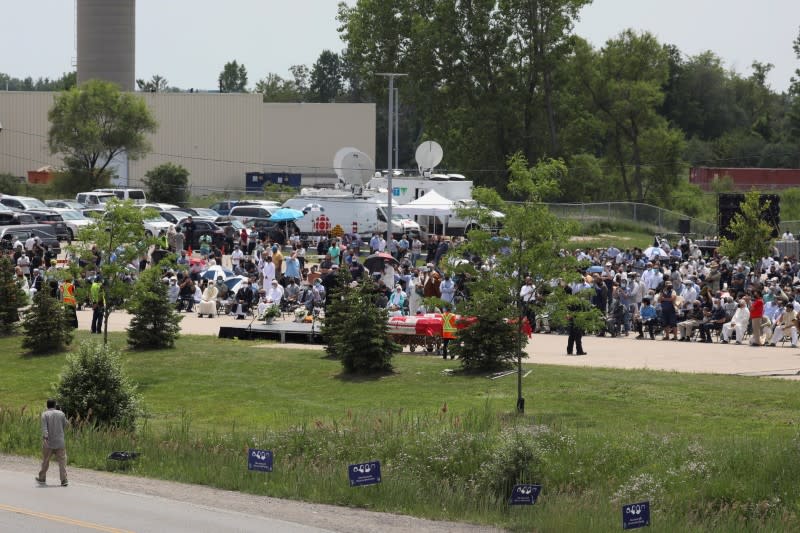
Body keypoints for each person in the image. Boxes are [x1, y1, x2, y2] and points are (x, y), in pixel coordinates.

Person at [36, 399, 69, 487]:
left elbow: (44, 427)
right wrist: (61, 411)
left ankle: (42, 478)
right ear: (55, 405)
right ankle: (64, 480)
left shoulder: (45, 414)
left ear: (47, 405)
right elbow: (66, 424)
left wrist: (45, 437)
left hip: (49, 441)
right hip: (60, 441)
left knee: (46, 460)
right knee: (62, 461)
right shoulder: (61, 414)